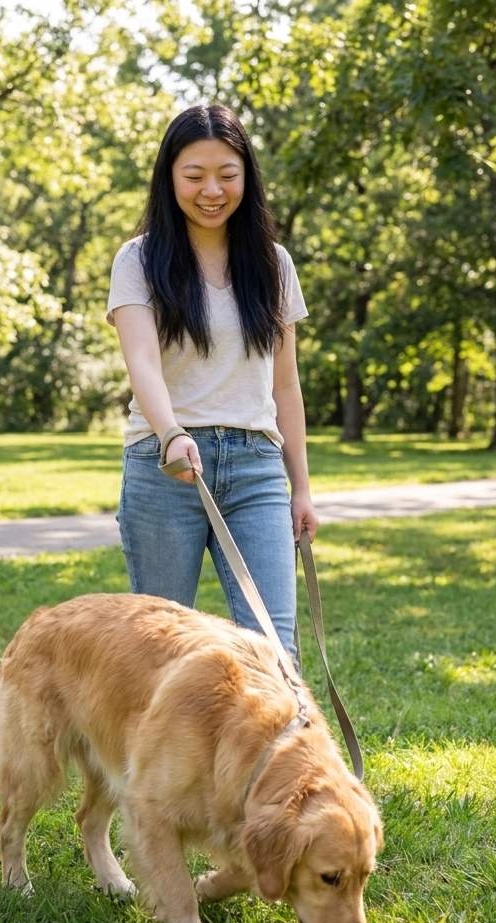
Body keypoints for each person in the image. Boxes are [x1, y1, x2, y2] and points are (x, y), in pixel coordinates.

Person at [107, 104, 318, 658]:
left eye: (227, 175)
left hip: (256, 470)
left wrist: (302, 487)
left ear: (246, 176)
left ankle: (277, 749)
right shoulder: (139, 260)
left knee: (273, 652)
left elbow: (285, 387)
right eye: (194, 175)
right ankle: (160, 750)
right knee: (156, 652)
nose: (212, 191)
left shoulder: (273, 265)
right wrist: (172, 432)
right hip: (165, 466)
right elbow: (143, 363)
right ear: (169, 177)